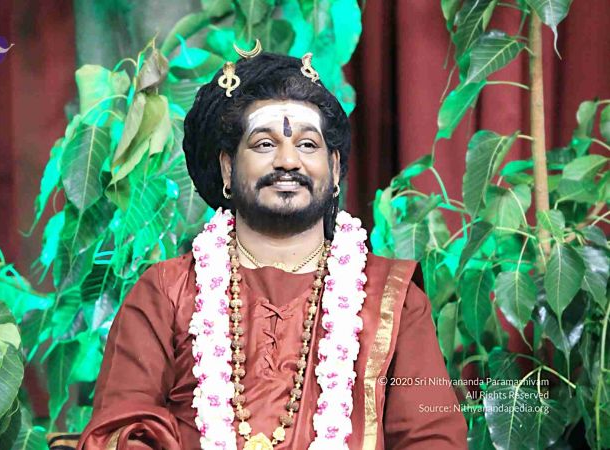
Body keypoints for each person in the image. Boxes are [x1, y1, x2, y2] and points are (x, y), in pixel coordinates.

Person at [77, 45, 467, 450]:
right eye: (264, 144)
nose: (288, 161)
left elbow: (432, 440)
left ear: (334, 169)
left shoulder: (393, 300)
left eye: (308, 145)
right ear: (227, 167)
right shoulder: (167, 292)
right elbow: (120, 431)